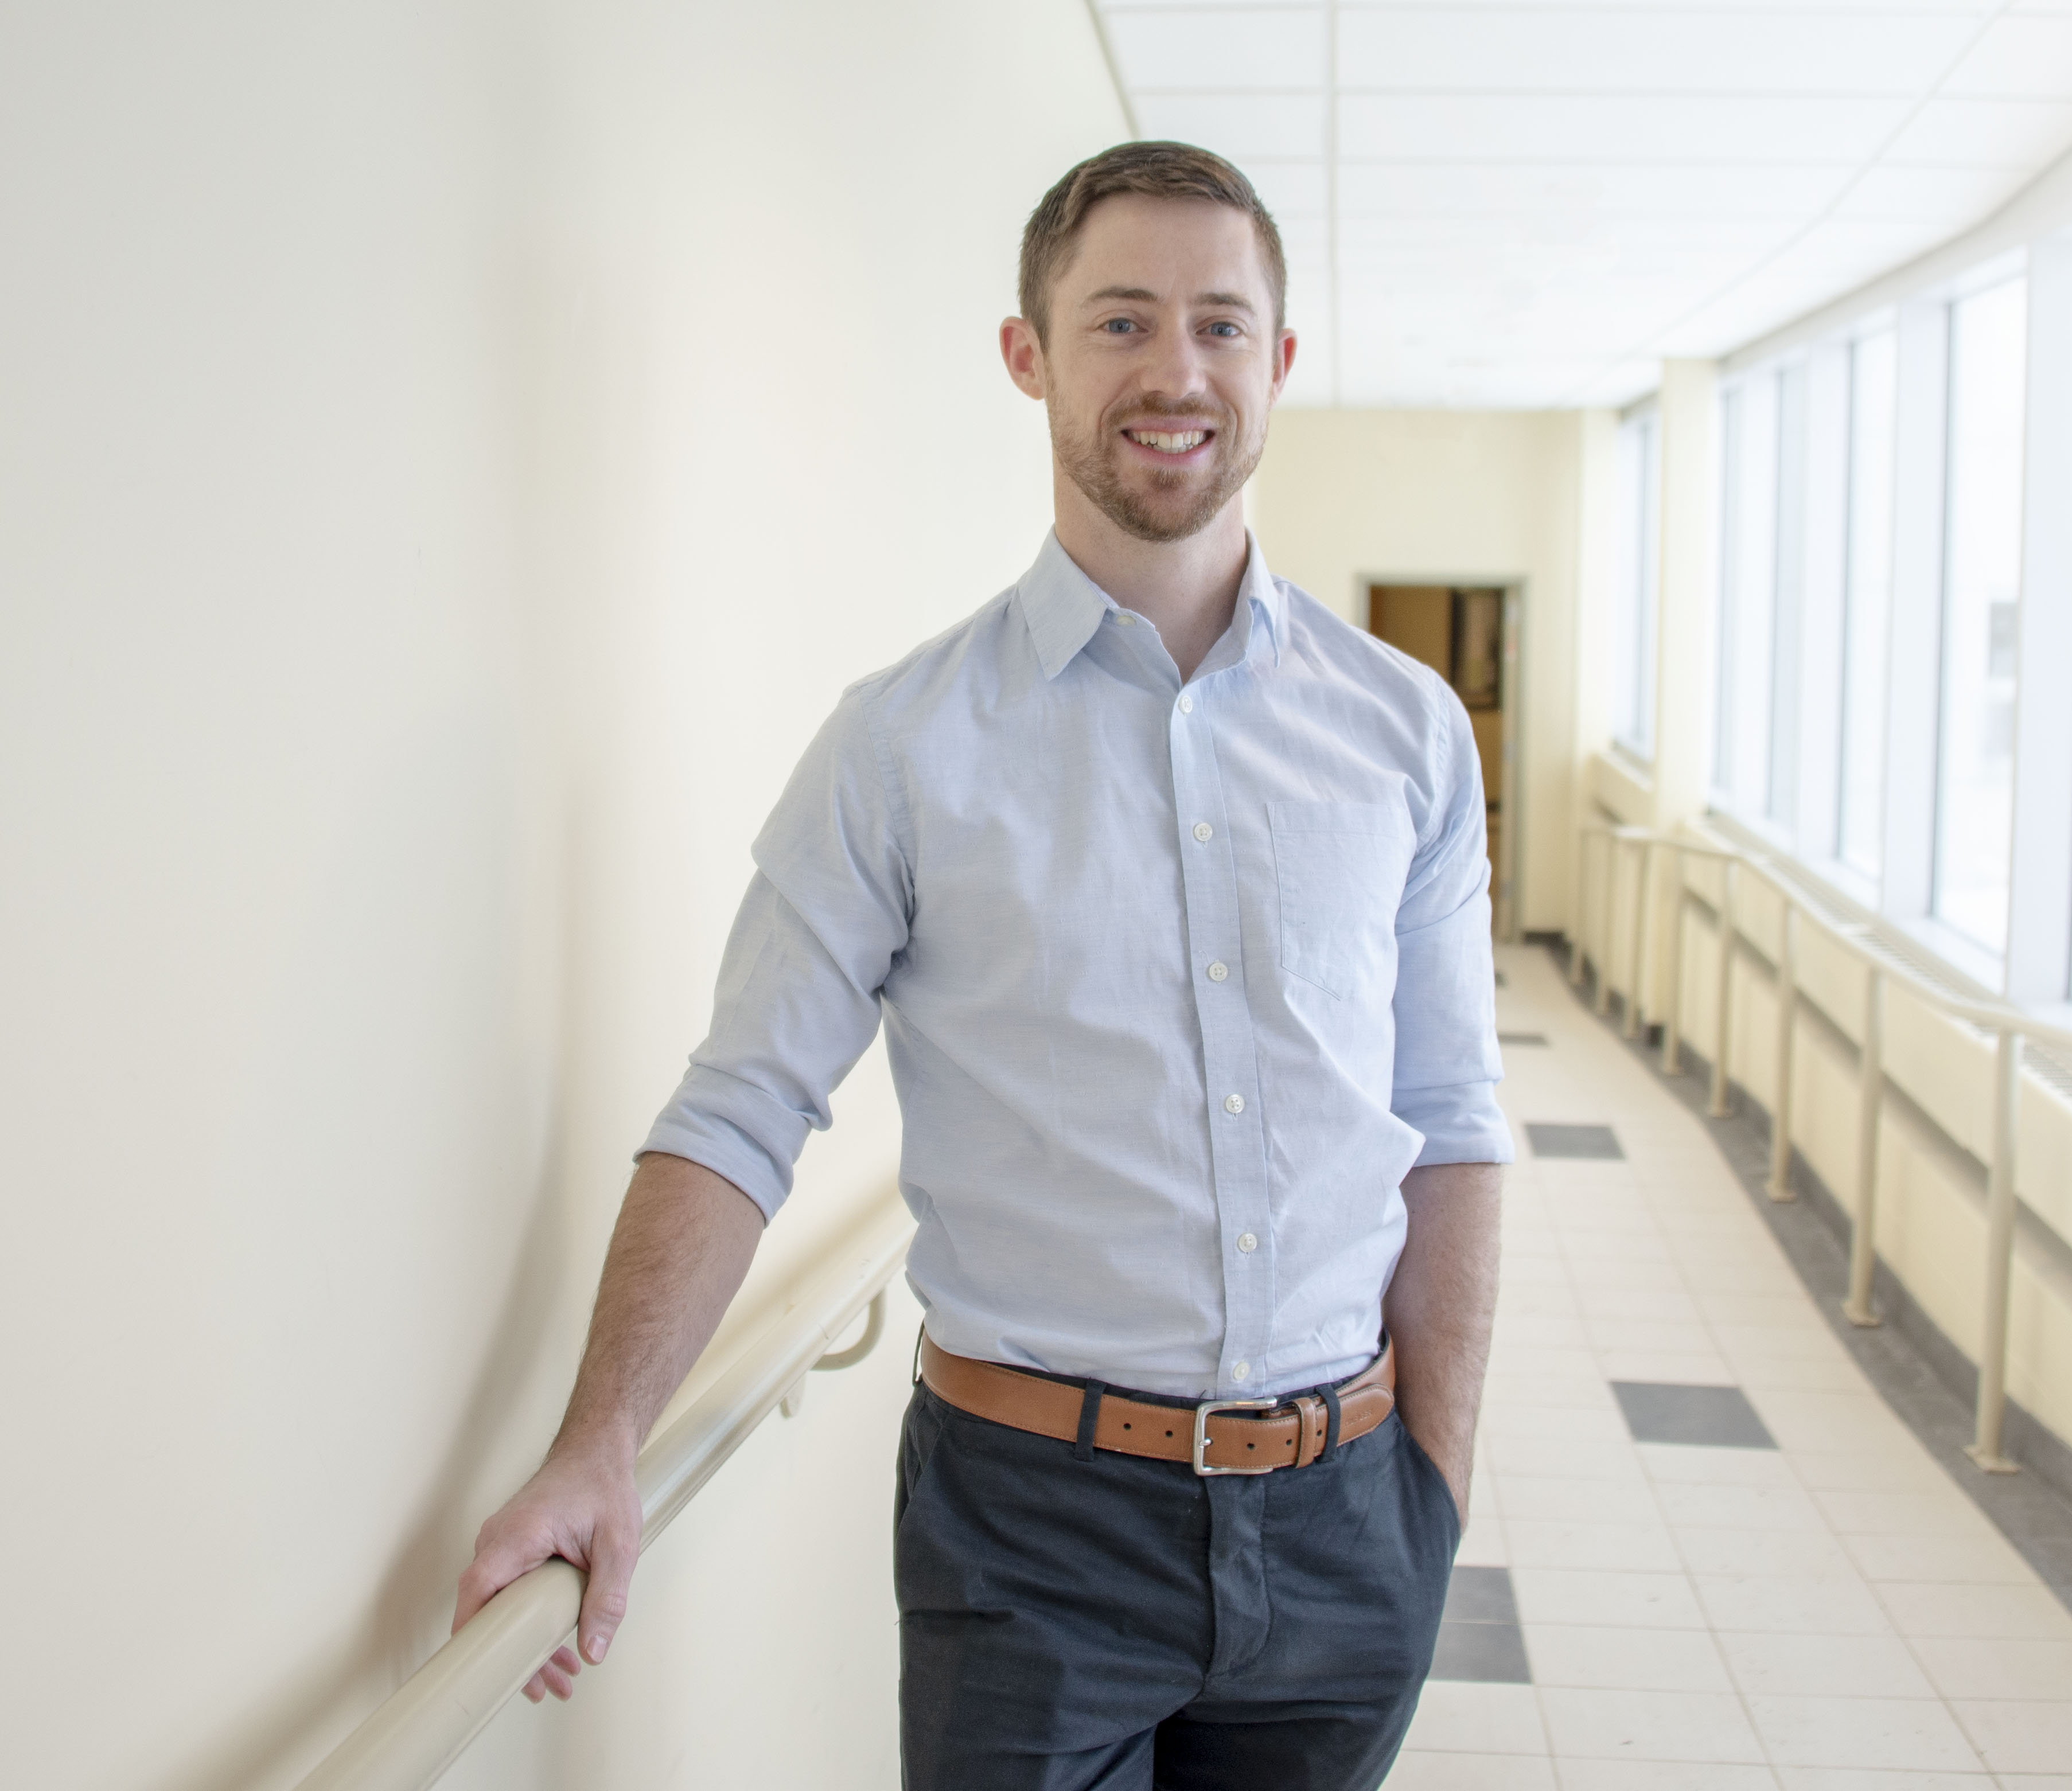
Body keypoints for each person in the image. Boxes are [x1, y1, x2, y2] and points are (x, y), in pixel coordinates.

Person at [451, 141, 1510, 1790]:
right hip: (1035, 1539)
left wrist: (1431, 1485)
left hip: (1345, 1526)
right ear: (1029, 355)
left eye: (1225, 326)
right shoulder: (903, 747)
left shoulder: (1406, 736)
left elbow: (1447, 1117)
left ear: (1281, 364)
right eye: (1121, 322)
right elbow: (738, 1109)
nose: (1178, 371)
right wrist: (600, 1438)